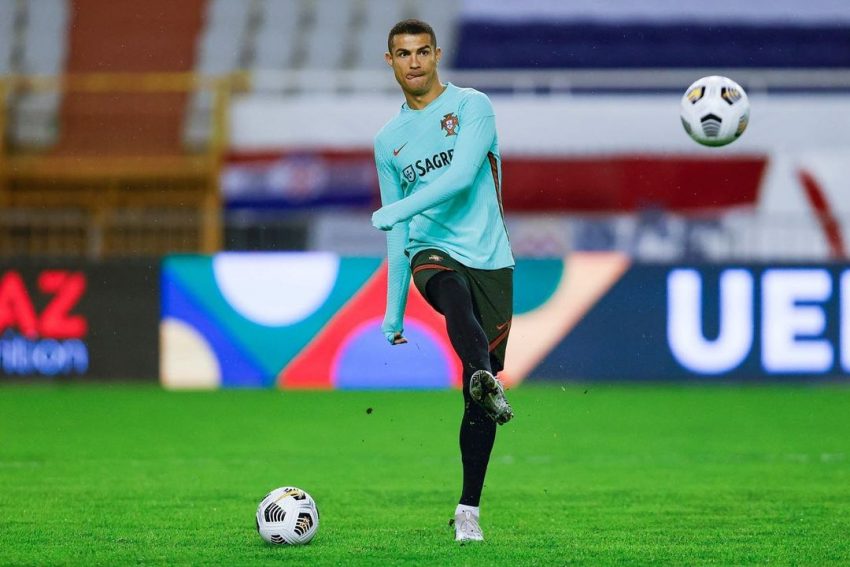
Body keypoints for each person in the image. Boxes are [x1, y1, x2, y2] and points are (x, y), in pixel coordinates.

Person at [371, 18, 515, 543]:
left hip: (490, 256)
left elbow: (460, 177)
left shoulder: (473, 106)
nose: (413, 62)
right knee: (449, 292)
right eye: (403, 53)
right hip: (430, 248)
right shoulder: (388, 141)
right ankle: (481, 375)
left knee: (477, 401)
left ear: (435, 55)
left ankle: (468, 509)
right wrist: (393, 312)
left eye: (422, 52)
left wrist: (397, 208)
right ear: (390, 61)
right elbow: (399, 234)